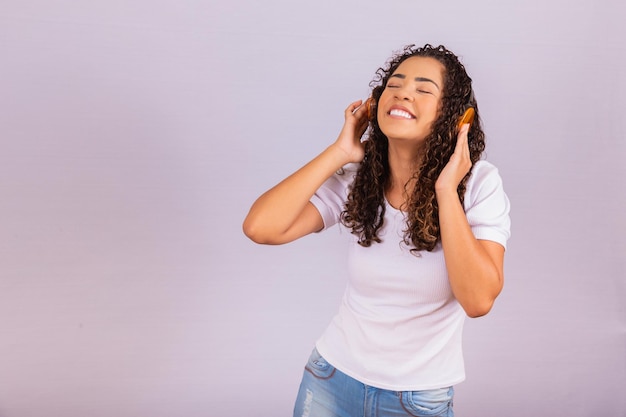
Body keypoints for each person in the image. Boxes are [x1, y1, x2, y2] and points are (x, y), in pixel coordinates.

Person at [242, 44, 511, 417]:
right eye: (395, 84)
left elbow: (478, 300)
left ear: (456, 118)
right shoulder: (362, 176)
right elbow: (261, 227)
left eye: (423, 89)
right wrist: (341, 151)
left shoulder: (479, 184)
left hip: (417, 399)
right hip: (329, 381)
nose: (402, 93)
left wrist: (446, 190)